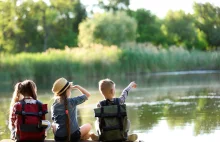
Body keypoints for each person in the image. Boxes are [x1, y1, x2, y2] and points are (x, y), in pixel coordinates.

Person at [51, 77, 92, 142]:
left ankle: (85, 136)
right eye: (70, 90)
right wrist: (78, 87)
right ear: (67, 91)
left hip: (59, 138)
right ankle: (86, 136)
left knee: (53, 124)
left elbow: (54, 120)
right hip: (74, 136)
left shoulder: (54, 105)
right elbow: (87, 95)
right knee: (88, 126)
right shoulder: (72, 101)